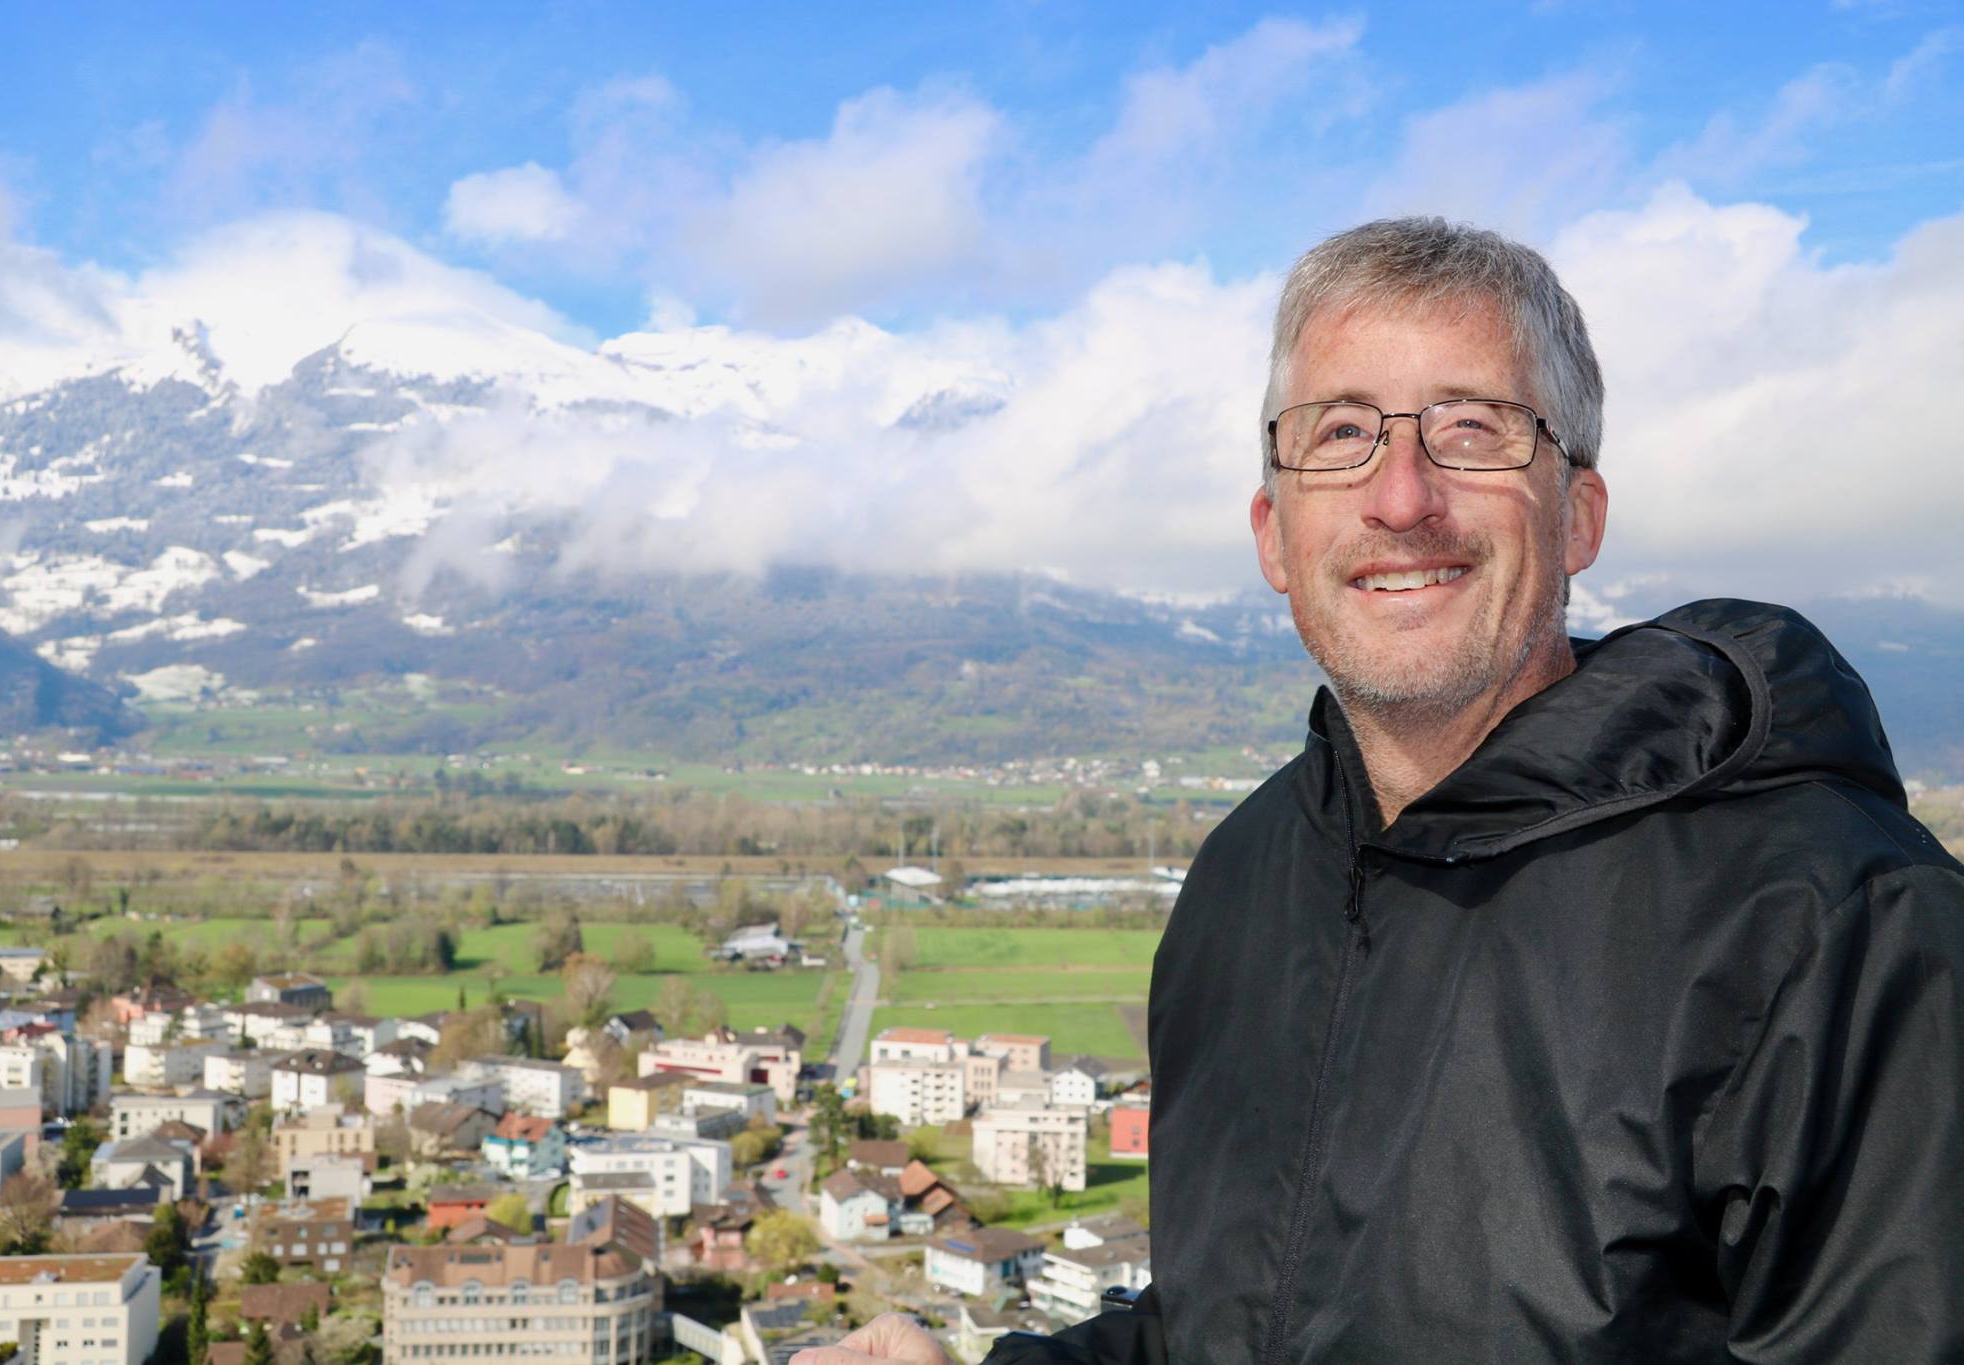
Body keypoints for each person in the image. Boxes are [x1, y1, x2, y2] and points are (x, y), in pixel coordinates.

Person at [798, 218, 1964, 1364]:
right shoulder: (1246, 880)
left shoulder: (1840, 926)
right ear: (1272, 533)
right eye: (1340, 432)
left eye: (1471, 429)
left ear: (1579, 516)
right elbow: (1224, 1327)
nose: (1400, 496)